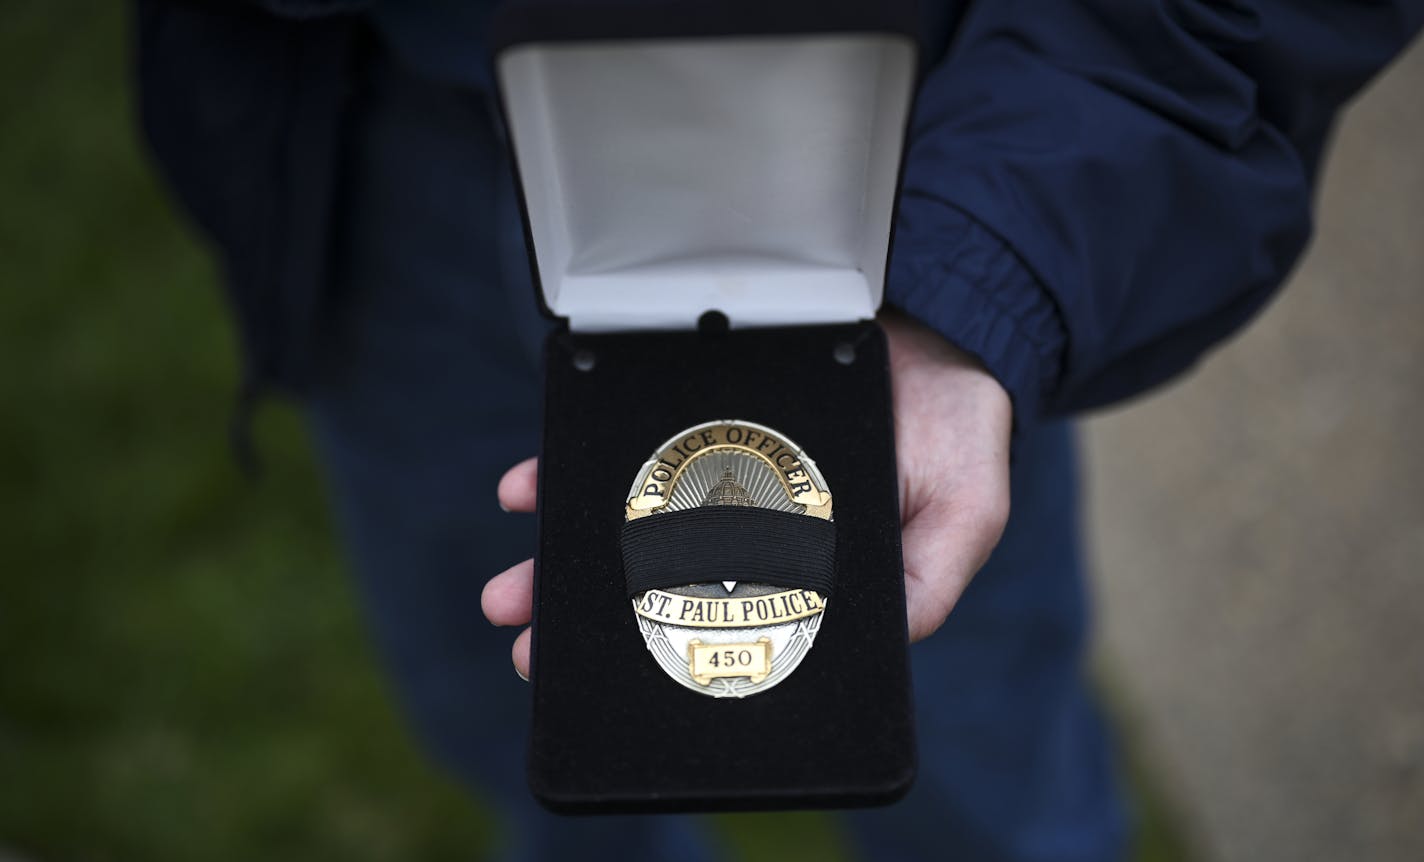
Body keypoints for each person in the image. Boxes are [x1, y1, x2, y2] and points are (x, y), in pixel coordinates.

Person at [135, 1, 1423, 859]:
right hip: (374, 117)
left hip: (904, 165)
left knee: (979, 767)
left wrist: (981, 276)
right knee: (528, 731)